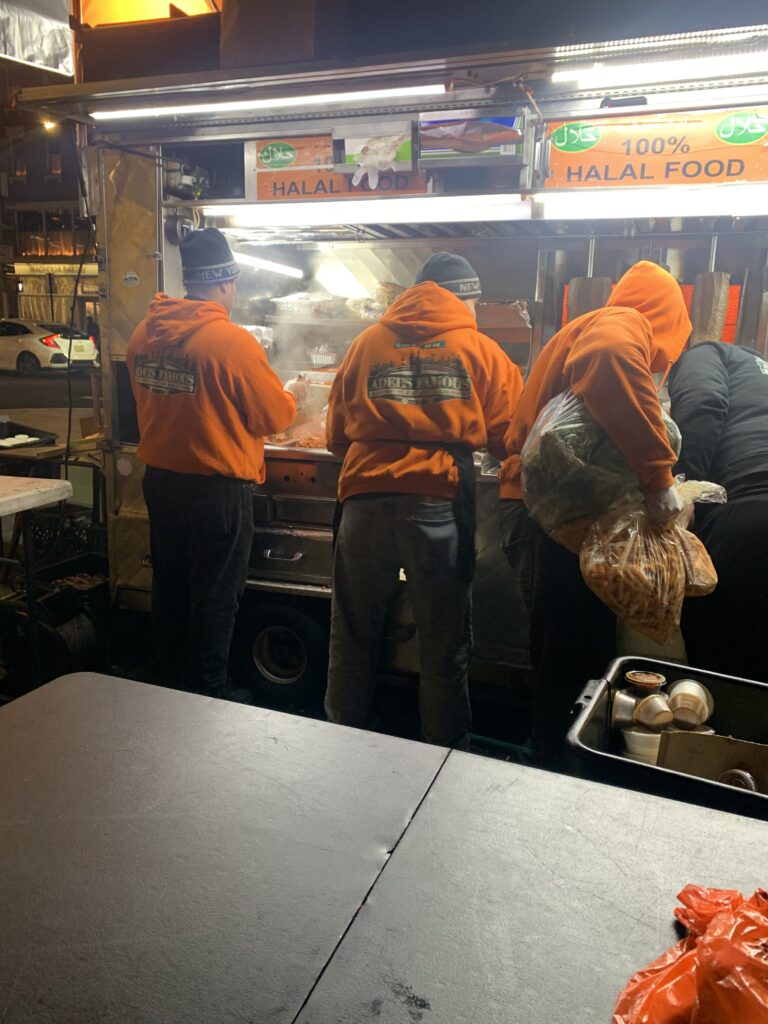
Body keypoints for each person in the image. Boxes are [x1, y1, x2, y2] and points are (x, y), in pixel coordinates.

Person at [498, 260, 692, 765]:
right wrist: (658, 476)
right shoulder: (622, 323)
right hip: (550, 521)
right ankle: (559, 778)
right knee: (570, 664)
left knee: (567, 659)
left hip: (545, 517)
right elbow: (609, 360)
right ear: (667, 318)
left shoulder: (593, 325)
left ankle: (562, 767)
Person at [325, 252, 523, 746]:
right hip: (437, 505)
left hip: (363, 501)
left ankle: (340, 746)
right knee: (442, 645)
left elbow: (334, 436)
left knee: (352, 636)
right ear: (463, 298)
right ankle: (443, 758)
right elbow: (510, 437)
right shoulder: (480, 349)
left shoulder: (365, 343)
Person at [127, 227, 308, 696]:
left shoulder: (144, 333)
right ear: (226, 283)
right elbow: (274, 415)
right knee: (215, 595)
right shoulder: (231, 342)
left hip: (162, 483)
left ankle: (166, 680)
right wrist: (294, 393)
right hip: (216, 491)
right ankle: (206, 690)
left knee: (171, 586)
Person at [669, 340, 768, 682]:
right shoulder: (759, 381)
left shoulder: (709, 353)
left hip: (749, 524)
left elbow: (703, 402)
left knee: (718, 688)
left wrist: (678, 491)